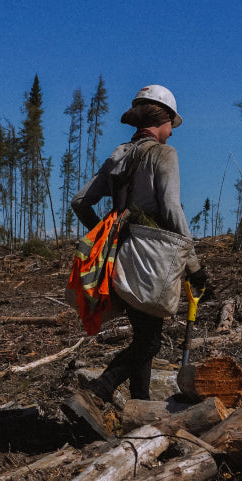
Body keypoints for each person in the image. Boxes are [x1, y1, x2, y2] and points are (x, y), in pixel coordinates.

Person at [69, 84, 207, 410]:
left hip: (117, 259)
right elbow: (172, 210)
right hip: (152, 260)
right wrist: (195, 266)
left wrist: (108, 231)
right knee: (150, 342)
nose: (172, 133)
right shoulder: (163, 154)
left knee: (144, 336)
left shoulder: (119, 154)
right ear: (162, 118)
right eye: (171, 123)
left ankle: (140, 409)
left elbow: (80, 202)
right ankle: (98, 390)